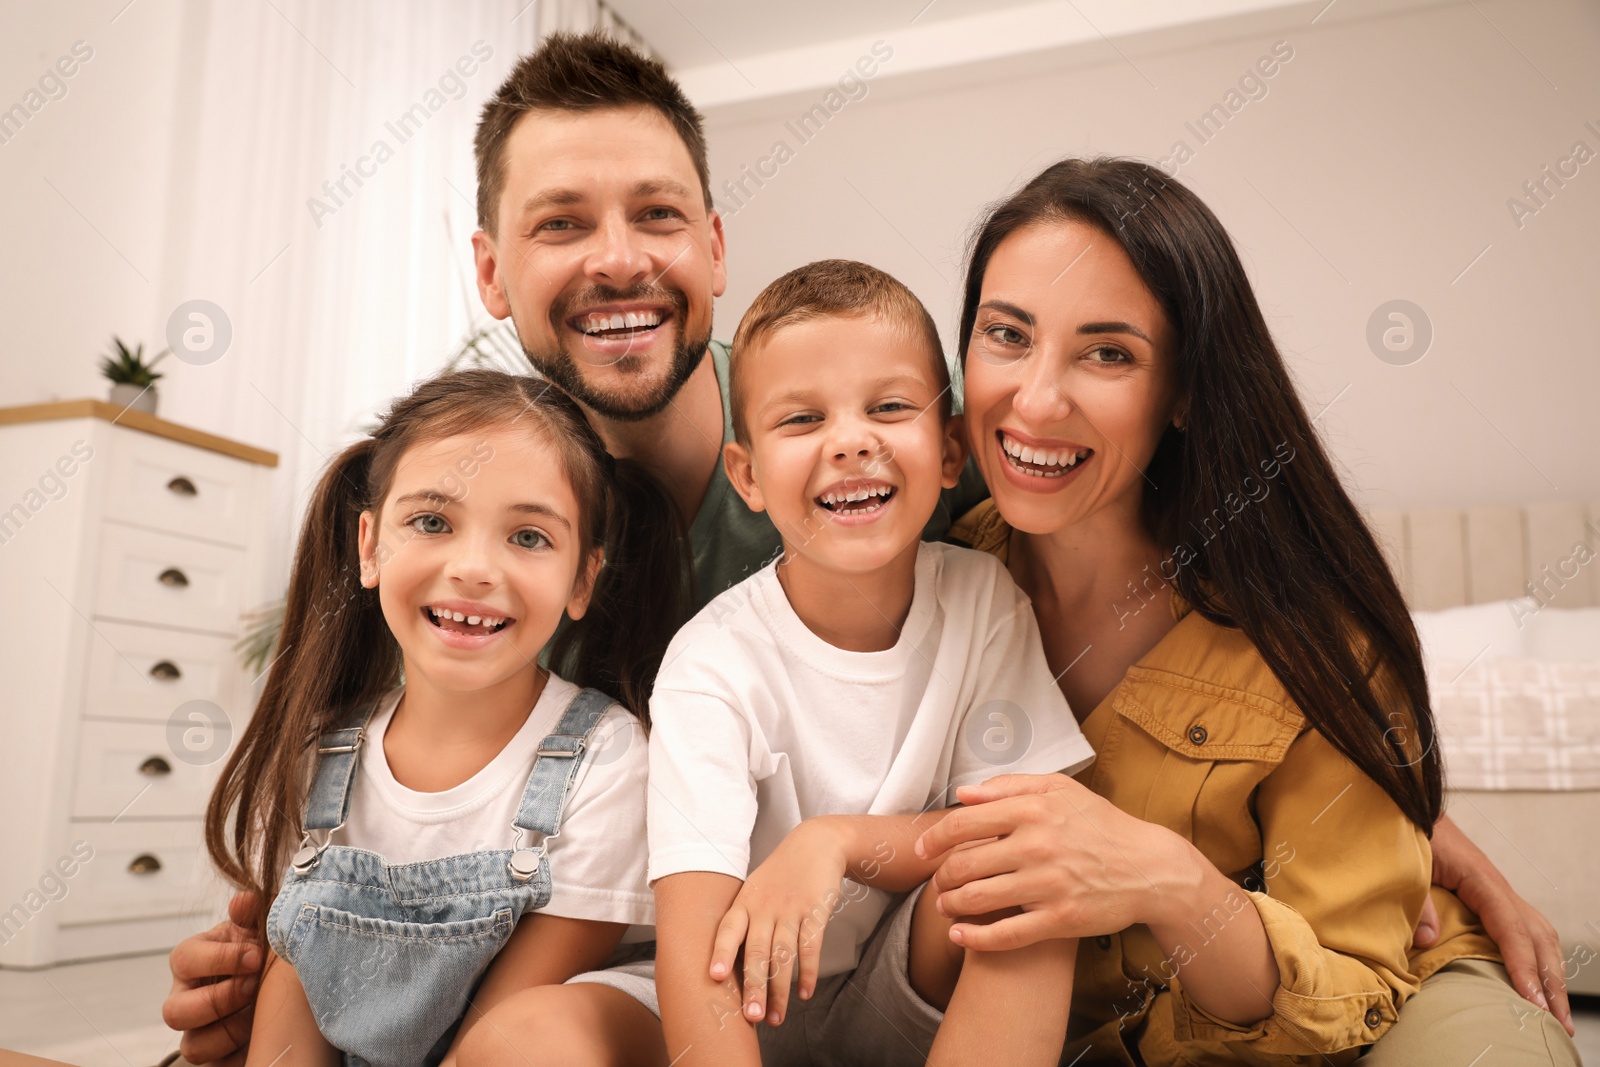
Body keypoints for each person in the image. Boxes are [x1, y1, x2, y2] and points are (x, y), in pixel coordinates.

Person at [163, 30, 1572, 1064]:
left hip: (1083, 965)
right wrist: (312, 964)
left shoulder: (937, 535)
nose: (616, 258)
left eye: (654, 215)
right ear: (488, 271)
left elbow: (1243, 716)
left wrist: (1420, 819)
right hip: (717, 982)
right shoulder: (480, 531)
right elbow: (379, 836)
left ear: (715, 245)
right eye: (558, 225)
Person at [911, 156, 1581, 1064]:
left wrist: (1169, 881)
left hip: (1374, 1005)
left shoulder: (1305, 626)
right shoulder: (925, 568)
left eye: (1108, 352)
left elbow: (1355, 985)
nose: (1035, 399)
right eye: (1006, 334)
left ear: (1185, 389)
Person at [639, 260, 1096, 1066]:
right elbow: (692, 943)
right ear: (746, 476)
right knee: (528, 1035)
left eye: (889, 407)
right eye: (802, 419)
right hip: (738, 995)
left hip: (892, 992)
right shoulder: (711, 662)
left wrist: (836, 841)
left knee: (1022, 881)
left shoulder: (983, 600)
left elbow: (1023, 828)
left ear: (953, 453)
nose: (852, 441)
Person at [204, 370, 687, 1066]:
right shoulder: (316, 760)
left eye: (528, 536)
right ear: (369, 546)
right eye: (432, 522)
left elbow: (495, 1037)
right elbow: (296, 986)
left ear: (583, 577)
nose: (474, 567)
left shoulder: (609, 759)